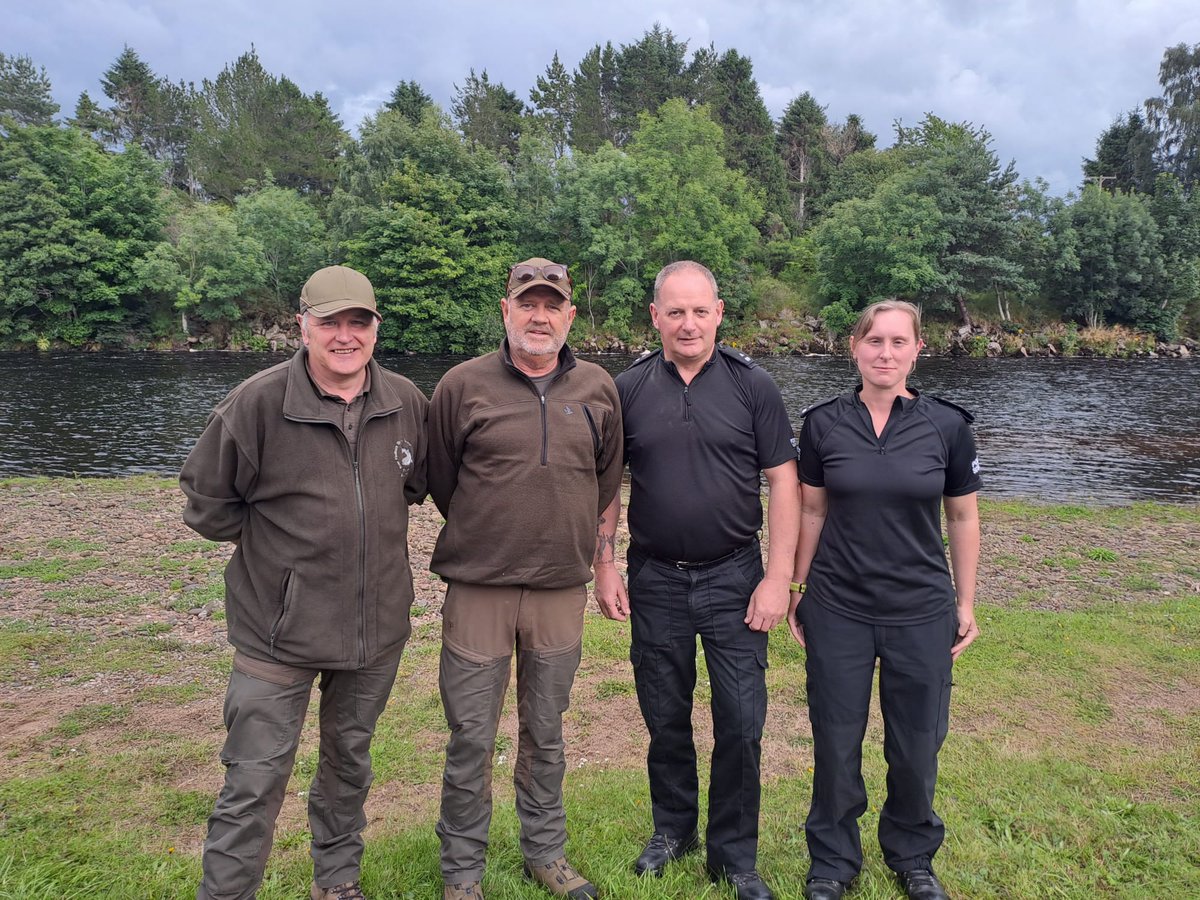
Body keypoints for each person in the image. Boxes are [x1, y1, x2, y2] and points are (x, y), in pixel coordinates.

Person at [179, 265, 428, 900]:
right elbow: (208, 504)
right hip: (276, 637)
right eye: (329, 323)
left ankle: (337, 883)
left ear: (376, 327)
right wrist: (280, 556)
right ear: (303, 326)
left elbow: (417, 484)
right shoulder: (255, 403)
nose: (345, 336)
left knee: (349, 765)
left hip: (375, 634)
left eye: (358, 323)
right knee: (253, 780)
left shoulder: (405, 401)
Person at [594, 260, 800, 900]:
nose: (688, 323)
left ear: (719, 314)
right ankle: (672, 829)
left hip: (736, 575)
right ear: (655, 316)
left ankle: (734, 854)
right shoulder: (626, 389)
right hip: (654, 575)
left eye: (699, 310)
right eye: (675, 311)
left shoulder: (752, 385)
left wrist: (778, 578)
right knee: (664, 711)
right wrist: (604, 563)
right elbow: (607, 486)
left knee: (741, 719)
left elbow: (785, 483)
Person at [427, 258, 623, 900]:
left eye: (552, 306)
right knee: (471, 734)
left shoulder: (598, 388)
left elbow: (606, 484)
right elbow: (443, 479)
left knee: (547, 729)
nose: (540, 316)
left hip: (559, 590)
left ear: (570, 316)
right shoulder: (461, 386)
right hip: (479, 588)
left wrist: (601, 562)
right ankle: (462, 870)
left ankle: (545, 851)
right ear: (506, 311)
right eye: (527, 304)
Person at [788, 299, 982, 900]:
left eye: (899, 342)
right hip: (838, 606)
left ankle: (913, 854)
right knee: (835, 740)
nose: (885, 353)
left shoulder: (947, 426)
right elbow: (812, 510)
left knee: (917, 743)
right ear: (854, 347)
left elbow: (963, 516)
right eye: (874, 341)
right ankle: (832, 861)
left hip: (920, 609)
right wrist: (798, 589)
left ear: (917, 350)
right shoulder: (822, 423)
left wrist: (965, 601)